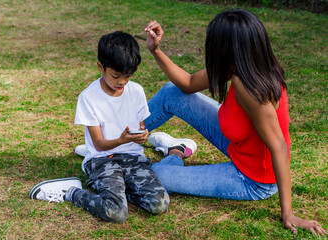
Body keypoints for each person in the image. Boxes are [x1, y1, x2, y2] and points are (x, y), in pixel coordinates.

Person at [143, 9, 326, 236]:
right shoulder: (242, 66)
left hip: (252, 179)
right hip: (237, 144)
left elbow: (279, 147)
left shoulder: (251, 90)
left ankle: (176, 153)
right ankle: (119, 136)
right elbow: (188, 83)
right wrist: (155, 50)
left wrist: (287, 213)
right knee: (172, 92)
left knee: (156, 177)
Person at [29, 31, 170, 223]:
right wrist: (121, 140)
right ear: (100, 67)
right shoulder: (89, 97)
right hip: (103, 159)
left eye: (127, 76)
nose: (122, 82)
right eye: (116, 75)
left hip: (133, 158)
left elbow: (141, 127)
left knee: (158, 204)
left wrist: (142, 136)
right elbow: (98, 144)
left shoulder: (136, 91)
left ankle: (120, 188)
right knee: (116, 212)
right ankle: (72, 192)